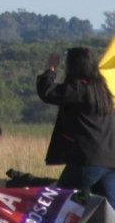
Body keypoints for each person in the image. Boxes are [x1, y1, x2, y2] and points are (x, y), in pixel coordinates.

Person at [37, 47, 115, 210]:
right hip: (110, 161)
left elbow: (48, 93)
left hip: (87, 160)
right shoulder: (102, 92)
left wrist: (50, 69)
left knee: (58, 204)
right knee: (108, 211)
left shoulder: (79, 88)